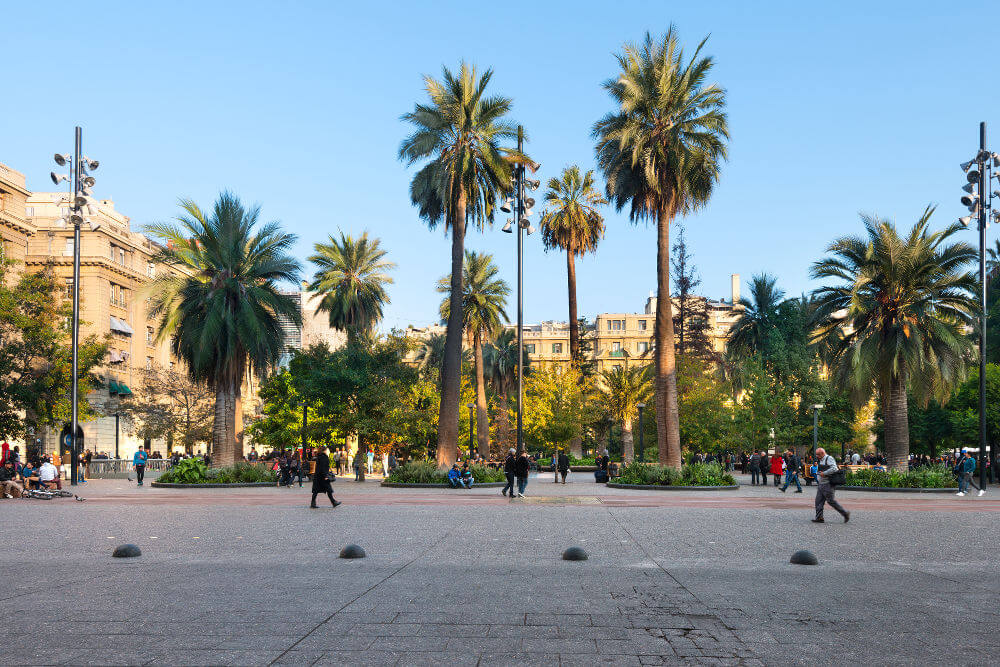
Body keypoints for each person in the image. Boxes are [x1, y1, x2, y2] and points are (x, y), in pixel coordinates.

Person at [813, 447, 850, 523]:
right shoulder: (821, 460)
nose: (816, 456)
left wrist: (824, 473)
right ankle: (819, 517)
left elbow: (834, 468)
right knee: (818, 501)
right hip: (821, 484)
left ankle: (845, 513)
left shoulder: (829, 458)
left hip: (828, 484)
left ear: (822, 453)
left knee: (831, 501)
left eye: (818, 454)